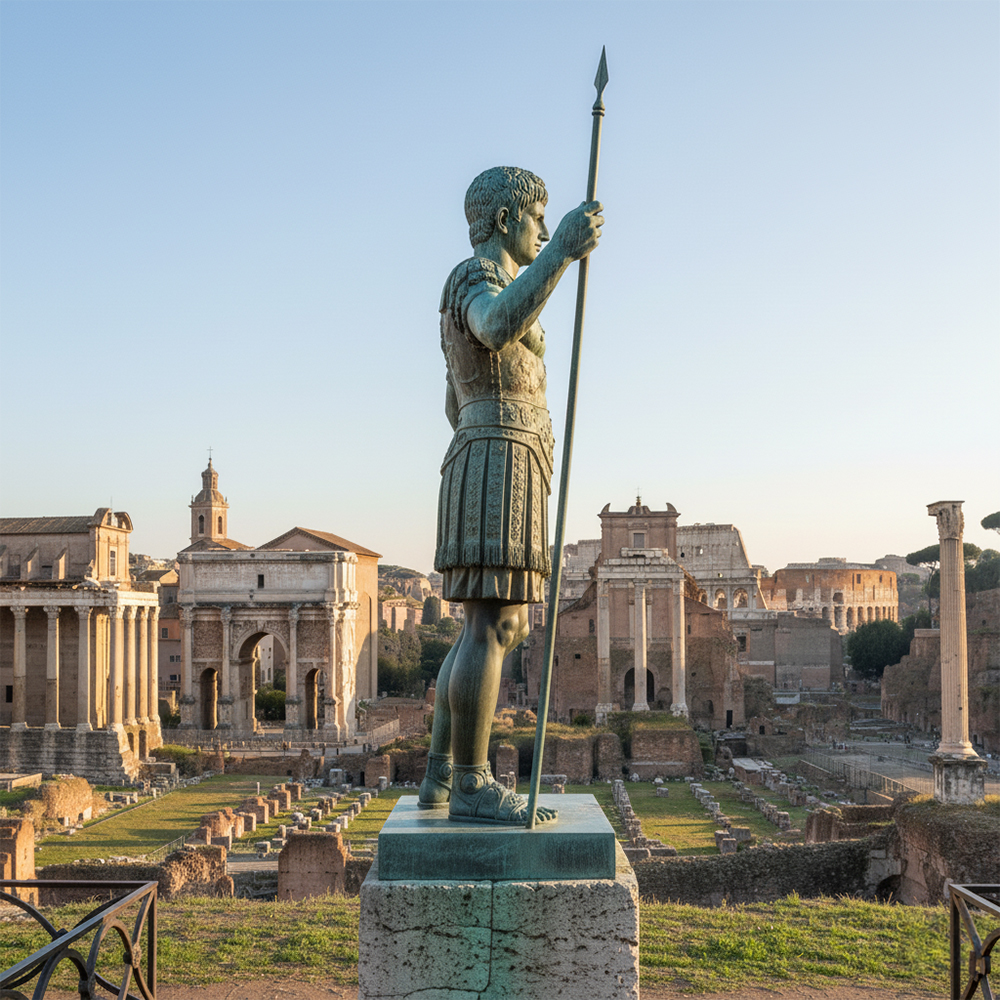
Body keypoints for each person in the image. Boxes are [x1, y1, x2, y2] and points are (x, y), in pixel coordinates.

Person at [418, 166, 604, 824]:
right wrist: (562, 255)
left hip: (504, 453)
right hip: (497, 455)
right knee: (491, 622)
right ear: (504, 220)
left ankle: (440, 773)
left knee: (501, 621)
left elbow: (452, 397)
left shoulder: (488, 281)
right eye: (538, 219)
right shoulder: (475, 278)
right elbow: (496, 328)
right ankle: (470, 780)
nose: (545, 231)